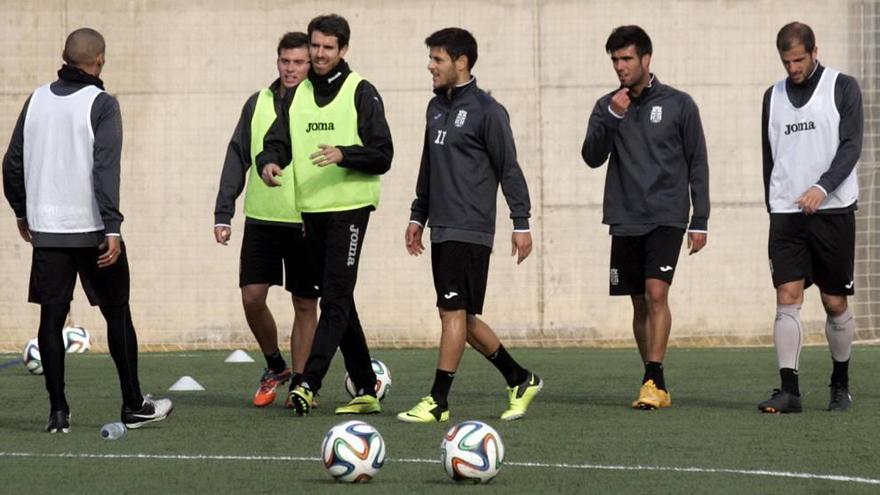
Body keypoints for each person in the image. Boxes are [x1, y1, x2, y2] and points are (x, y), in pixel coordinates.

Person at [2, 28, 172, 432]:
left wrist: (22, 212)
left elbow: (11, 163)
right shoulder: (102, 103)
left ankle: (58, 411)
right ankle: (133, 405)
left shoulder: (36, 100)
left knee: (51, 318)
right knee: (117, 314)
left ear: (64, 56)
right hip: (94, 231)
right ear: (99, 61)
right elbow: (105, 168)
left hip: (47, 232)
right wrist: (112, 226)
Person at [397, 28, 542, 423]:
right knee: (461, 316)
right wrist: (417, 215)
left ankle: (438, 401)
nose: (431, 66)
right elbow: (428, 167)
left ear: (461, 62)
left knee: (452, 313)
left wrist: (521, 221)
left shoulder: (488, 111)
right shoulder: (434, 108)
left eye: (437, 59)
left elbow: (508, 168)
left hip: (470, 228)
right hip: (442, 227)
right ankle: (520, 378)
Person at [258, 14, 393, 416]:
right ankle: (366, 387)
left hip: (350, 210)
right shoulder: (295, 93)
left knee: (332, 297)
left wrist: (344, 154)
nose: (318, 53)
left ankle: (307, 382)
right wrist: (269, 163)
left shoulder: (361, 91)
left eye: (327, 47)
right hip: (311, 211)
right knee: (341, 298)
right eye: (315, 45)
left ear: (343, 50)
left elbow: (383, 153)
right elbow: (277, 141)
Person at [582, 25, 709, 410]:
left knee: (656, 293)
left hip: (667, 216)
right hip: (624, 217)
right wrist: (611, 117)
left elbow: (697, 161)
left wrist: (699, 217)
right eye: (615, 60)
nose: (620, 67)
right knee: (638, 302)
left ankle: (652, 378)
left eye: (627, 59)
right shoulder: (607, 105)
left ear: (646, 59)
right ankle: (655, 380)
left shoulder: (679, 104)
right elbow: (591, 156)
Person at [757, 22, 862, 414]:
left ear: (814, 51)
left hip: (832, 210)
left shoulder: (843, 87)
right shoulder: (773, 96)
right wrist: (773, 204)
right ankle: (789, 390)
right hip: (787, 215)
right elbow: (770, 157)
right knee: (787, 297)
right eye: (786, 61)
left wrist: (823, 187)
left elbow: (852, 146)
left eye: (799, 60)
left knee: (835, 301)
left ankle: (840, 383)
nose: (793, 68)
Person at [213, 32, 321, 408]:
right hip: (261, 218)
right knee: (252, 297)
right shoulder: (257, 103)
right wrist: (223, 211)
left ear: (311, 64)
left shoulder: (321, 105)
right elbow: (237, 155)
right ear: (277, 62)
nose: (291, 69)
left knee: (306, 304)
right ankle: (276, 365)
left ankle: (302, 384)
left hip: (308, 219)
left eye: (299, 62)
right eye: (285, 61)